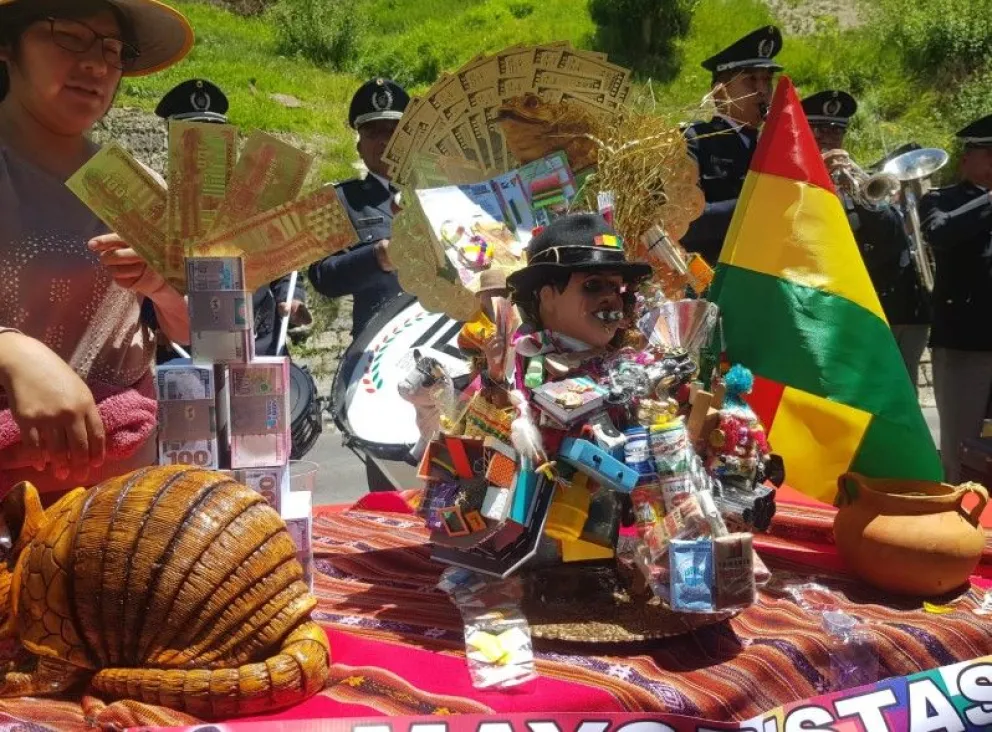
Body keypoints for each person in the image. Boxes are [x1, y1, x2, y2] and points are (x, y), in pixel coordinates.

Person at [0, 0, 192, 497]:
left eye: (113, 48)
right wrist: (11, 350)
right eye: (67, 35)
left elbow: (201, 331)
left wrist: (162, 289)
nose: (97, 64)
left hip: (122, 501)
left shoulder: (138, 186)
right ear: (7, 46)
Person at [151, 78, 312, 360]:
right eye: (193, 137)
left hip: (260, 348)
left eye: (214, 135)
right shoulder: (154, 206)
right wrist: (153, 324)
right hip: (186, 354)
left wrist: (292, 297)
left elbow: (284, 263)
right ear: (173, 142)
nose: (204, 148)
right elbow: (136, 283)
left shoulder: (254, 200)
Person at [308, 78, 409, 492]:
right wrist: (378, 256)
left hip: (446, 350)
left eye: (393, 131)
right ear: (358, 145)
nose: (384, 142)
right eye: (373, 132)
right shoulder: (340, 201)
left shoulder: (441, 192)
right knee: (389, 488)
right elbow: (323, 276)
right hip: (378, 361)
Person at [803, 89, 931, 386]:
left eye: (837, 130)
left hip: (867, 305)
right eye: (818, 129)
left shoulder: (855, 181)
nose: (827, 137)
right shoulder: (787, 181)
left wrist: (865, 198)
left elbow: (893, 238)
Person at [920, 113, 992, 482]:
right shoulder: (941, 200)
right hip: (966, 343)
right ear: (967, 159)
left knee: (990, 446)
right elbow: (939, 234)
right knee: (961, 448)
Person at [681, 26, 783, 264]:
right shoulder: (694, 139)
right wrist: (755, 208)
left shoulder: (774, 145)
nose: (762, 91)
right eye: (750, 81)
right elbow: (685, 220)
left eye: (767, 81)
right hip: (716, 278)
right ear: (719, 93)